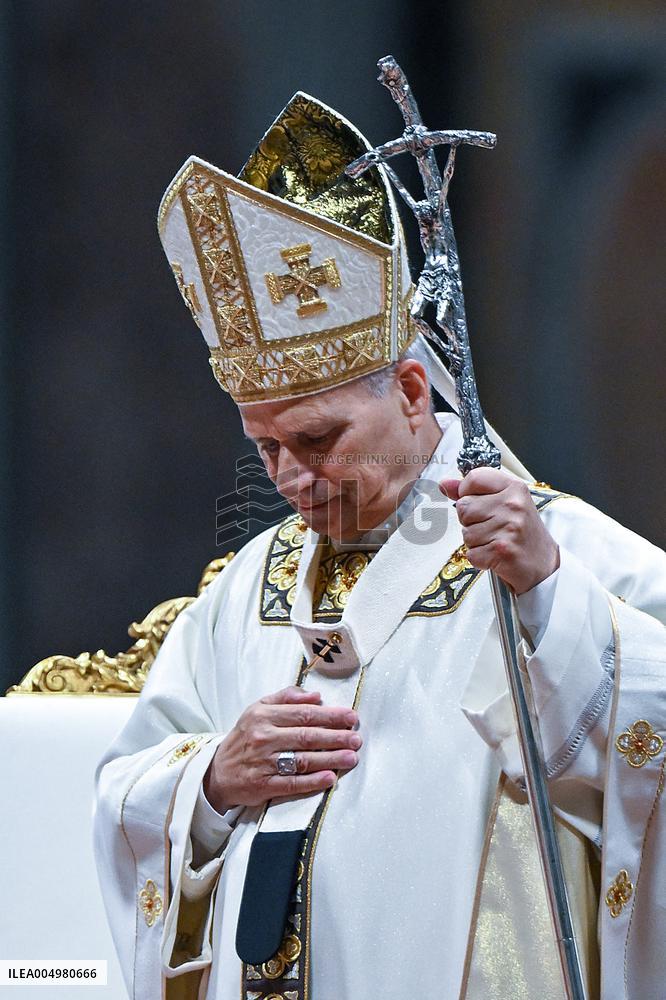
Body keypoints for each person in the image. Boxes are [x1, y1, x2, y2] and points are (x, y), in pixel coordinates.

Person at [93, 91, 666, 1000]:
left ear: (410, 390)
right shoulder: (248, 586)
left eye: (317, 441)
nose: (287, 477)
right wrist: (212, 780)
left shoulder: (556, 547)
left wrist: (552, 598)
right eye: (263, 447)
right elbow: (126, 784)